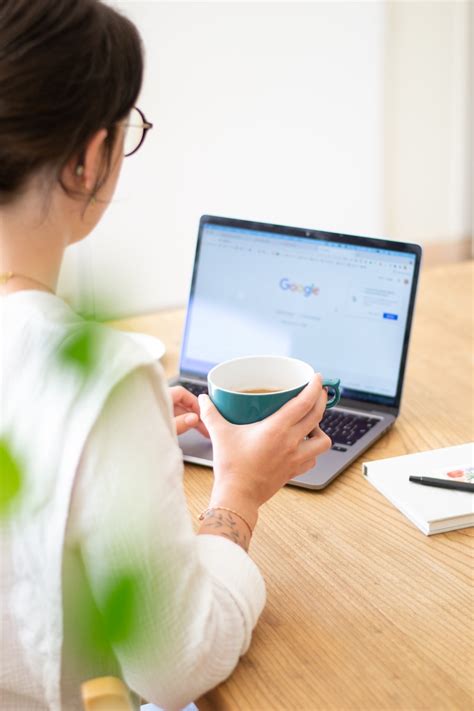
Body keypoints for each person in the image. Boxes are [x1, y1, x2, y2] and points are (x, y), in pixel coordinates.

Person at [0, 1, 331, 709]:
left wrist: (115, 444)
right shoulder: (101, 381)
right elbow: (172, 663)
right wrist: (238, 493)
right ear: (90, 158)